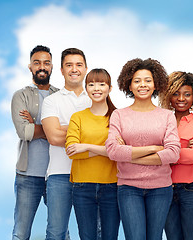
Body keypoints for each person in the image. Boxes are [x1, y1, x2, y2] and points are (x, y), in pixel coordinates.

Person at [105, 58, 181, 240]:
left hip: (161, 188)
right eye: (137, 81)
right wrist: (154, 148)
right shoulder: (119, 115)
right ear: (129, 85)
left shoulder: (167, 116)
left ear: (155, 84)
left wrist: (129, 155)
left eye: (148, 80)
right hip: (129, 187)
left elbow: (173, 152)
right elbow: (113, 151)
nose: (143, 85)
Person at [42, 48, 91, 240]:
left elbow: (105, 137)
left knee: (92, 234)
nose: (74, 69)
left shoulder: (96, 99)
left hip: (90, 174)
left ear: (86, 68)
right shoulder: (51, 101)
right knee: (56, 233)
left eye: (79, 65)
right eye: (69, 65)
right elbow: (53, 137)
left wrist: (66, 127)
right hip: (59, 175)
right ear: (61, 70)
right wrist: (87, 132)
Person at [65, 68, 120, 240]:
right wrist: (107, 150)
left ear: (110, 88)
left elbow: (120, 153)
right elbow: (72, 151)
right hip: (82, 186)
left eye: (101, 84)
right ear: (86, 88)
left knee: (109, 237)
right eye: (91, 84)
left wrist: (87, 146)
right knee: (87, 237)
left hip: (112, 185)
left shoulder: (118, 117)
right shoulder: (78, 117)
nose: (96, 88)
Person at [11, 45, 58, 240]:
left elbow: (70, 132)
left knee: (60, 233)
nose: (42, 66)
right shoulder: (20, 96)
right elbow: (25, 132)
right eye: (37, 62)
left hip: (56, 176)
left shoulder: (61, 96)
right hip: (27, 176)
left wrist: (35, 124)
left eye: (46, 63)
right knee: (21, 234)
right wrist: (52, 130)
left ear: (52, 67)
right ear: (30, 66)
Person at [160, 71, 193, 240]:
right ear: (168, 96)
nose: (181, 98)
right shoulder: (161, 123)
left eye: (187, 94)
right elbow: (153, 155)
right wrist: (183, 147)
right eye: (176, 93)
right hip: (165, 189)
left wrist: (167, 151)